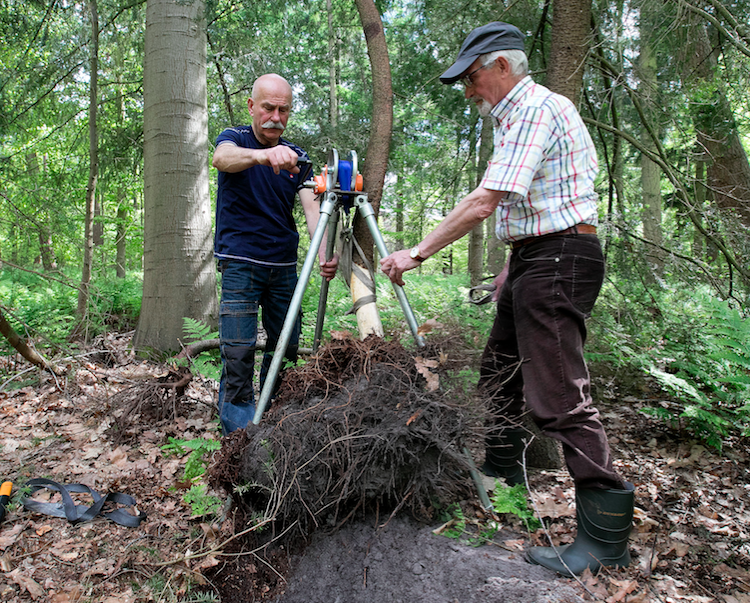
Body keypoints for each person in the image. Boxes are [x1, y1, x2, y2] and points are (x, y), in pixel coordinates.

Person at [379, 22, 633, 577]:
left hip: (561, 261)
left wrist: (415, 253)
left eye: (472, 78)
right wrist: (511, 266)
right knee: (499, 372)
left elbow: (486, 200)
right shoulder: (517, 115)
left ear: (501, 66)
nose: (469, 91)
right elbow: (537, 203)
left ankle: (604, 537)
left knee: (561, 396)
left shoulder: (535, 108)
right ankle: (501, 476)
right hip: (537, 258)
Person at [212, 73, 337, 435]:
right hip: (240, 264)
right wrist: (264, 155)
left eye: (284, 110)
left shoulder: (297, 157)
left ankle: (270, 423)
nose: (276, 117)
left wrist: (325, 252)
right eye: (268, 107)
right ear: (252, 106)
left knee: (286, 347)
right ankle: (238, 440)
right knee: (238, 352)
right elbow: (222, 160)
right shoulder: (235, 139)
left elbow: (313, 211)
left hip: (283, 268)